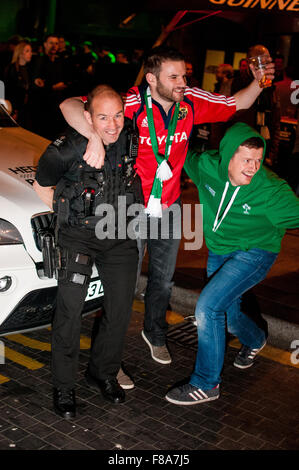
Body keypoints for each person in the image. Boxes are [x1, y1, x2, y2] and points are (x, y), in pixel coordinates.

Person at [59, 45, 275, 367]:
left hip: (170, 207)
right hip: (129, 207)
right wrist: (93, 137)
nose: (182, 82)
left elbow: (237, 103)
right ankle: (109, 353)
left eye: (184, 75)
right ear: (151, 78)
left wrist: (259, 82)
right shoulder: (130, 103)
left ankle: (155, 332)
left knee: (163, 279)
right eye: (173, 76)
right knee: (125, 282)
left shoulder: (190, 102)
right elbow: (70, 105)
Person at [165, 122, 299, 406]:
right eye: (246, 160)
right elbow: (177, 151)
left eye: (257, 160)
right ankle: (255, 338)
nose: (253, 167)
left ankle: (206, 383)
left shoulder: (272, 192)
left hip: (255, 253)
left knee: (208, 307)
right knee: (227, 312)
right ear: (227, 157)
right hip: (220, 248)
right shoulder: (206, 167)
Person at [33, 85, 142, 419]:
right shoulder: (67, 149)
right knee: (69, 312)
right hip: (78, 237)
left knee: (120, 308)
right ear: (88, 117)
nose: (112, 124)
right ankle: (64, 386)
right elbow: (41, 184)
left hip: (119, 235)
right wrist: (70, 216)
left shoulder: (129, 137)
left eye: (118, 115)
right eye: (103, 117)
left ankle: (103, 373)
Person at [230, 44, 281, 167]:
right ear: (250, 63)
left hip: (262, 147)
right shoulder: (235, 84)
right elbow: (221, 119)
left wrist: (272, 152)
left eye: (268, 59)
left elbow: (275, 120)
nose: (266, 63)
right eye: (262, 59)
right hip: (239, 145)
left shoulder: (269, 87)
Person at [4, 40, 33, 128]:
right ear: (20, 53)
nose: (30, 53)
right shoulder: (11, 69)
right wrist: (13, 110)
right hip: (14, 108)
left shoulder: (30, 69)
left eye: (31, 51)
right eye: (27, 51)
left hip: (26, 109)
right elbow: (9, 90)